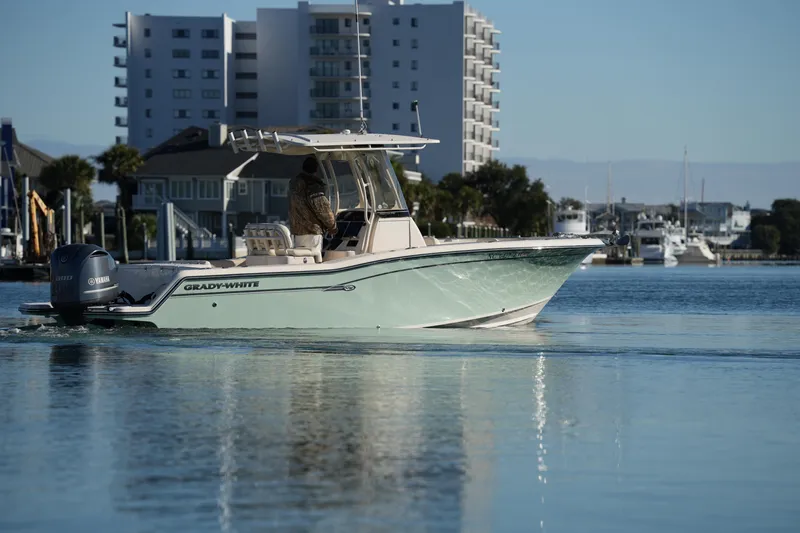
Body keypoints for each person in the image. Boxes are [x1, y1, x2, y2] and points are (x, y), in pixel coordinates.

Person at [288, 156, 337, 256]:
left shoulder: (293, 184)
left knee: (302, 260)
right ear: (317, 170)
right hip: (312, 232)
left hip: (297, 232)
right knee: (314, 258)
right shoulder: (313, 186)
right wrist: (333, 227)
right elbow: (322, 209)